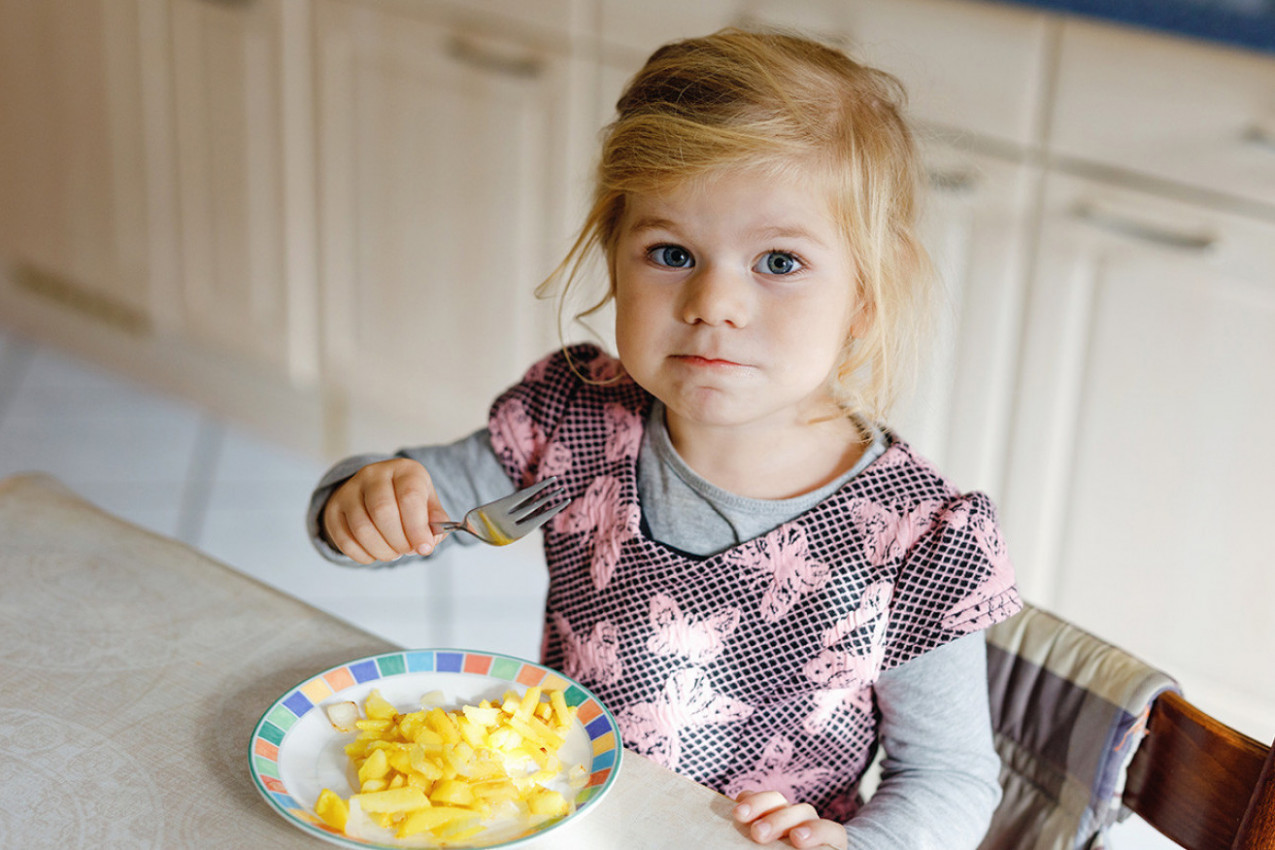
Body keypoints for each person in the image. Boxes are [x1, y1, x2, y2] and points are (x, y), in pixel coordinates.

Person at [308, 28, 1022, 849]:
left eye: (779, 263)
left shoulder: (919, 535)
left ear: (866, 294)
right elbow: (410, 505)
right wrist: (362, 501)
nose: (712, 302)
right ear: (614, 260)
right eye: (671, 252)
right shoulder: (573, 415)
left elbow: (948, 779)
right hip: (567, 821)